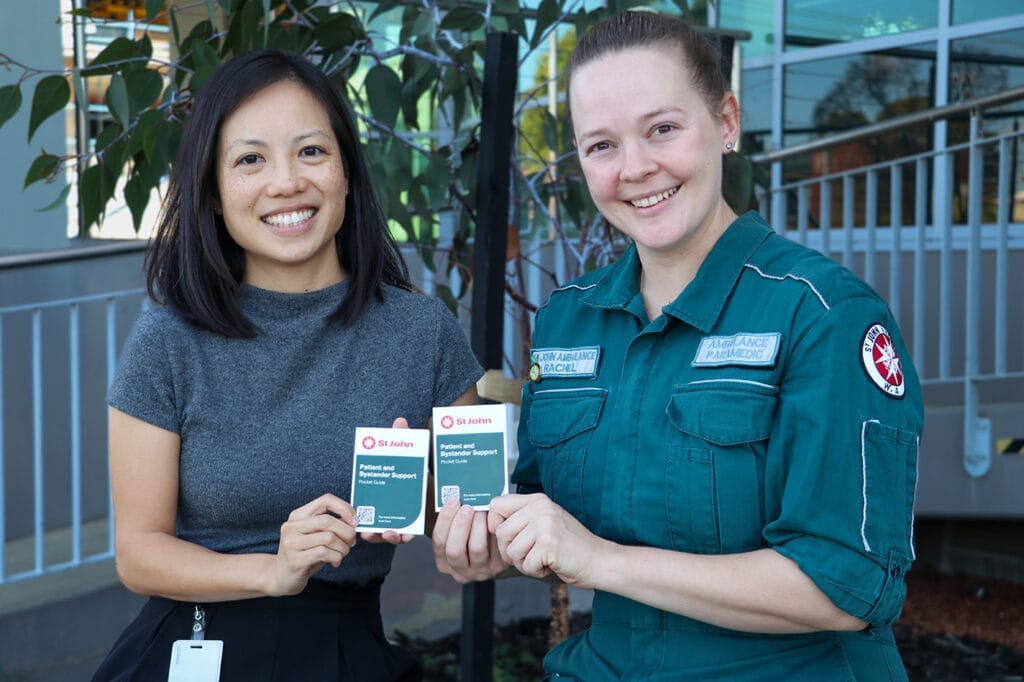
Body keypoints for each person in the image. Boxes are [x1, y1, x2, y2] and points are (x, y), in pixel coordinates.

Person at [432, 10, 922, 681]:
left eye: (662, 128)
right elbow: (551, 520)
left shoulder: (823, 314)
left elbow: (846, 583)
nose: (635, 168)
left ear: (725, 122)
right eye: (601, 146)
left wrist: (598, 560)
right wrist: (487, 540)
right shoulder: (568, 321)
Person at [92, 49, 482, 682]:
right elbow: (138, 554)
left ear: (348, 172)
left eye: (311, 152)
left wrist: (428, 502)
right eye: (250, 159)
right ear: (215, 193)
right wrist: (273, 569)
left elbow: (467, 521)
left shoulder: (421, 331)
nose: (286, 183)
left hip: (346, 648)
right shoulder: (170, 337)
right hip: (198, 645)